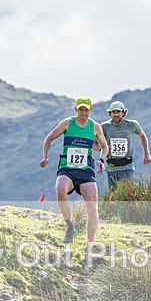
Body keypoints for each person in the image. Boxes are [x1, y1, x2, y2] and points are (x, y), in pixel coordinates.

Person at [40, 96, 109, 249]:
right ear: (76, 109)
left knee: (92, 207)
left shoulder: (95, 127)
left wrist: (101, 160)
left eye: (86, 109)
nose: (83, 112)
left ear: (90, 110)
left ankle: (90, 244)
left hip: (86, 171)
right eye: (80, 109)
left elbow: (105, 147)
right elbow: (49, 138)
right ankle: (70, 226)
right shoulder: (67, 123)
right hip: (67, 169)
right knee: (60, 190)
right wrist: (45, 156)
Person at [100, 100, 151, 191]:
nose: (116, 115)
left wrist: (147, 154)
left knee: (129, 193)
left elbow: (142, 136)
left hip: (127, 166)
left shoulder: (132, 125)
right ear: (109, 113)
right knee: (113, 196)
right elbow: (94, 144)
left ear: (124, 113)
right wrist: (104, 148)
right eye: (113, 112)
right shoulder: (104, 127)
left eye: (118, 112)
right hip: (111, 167)